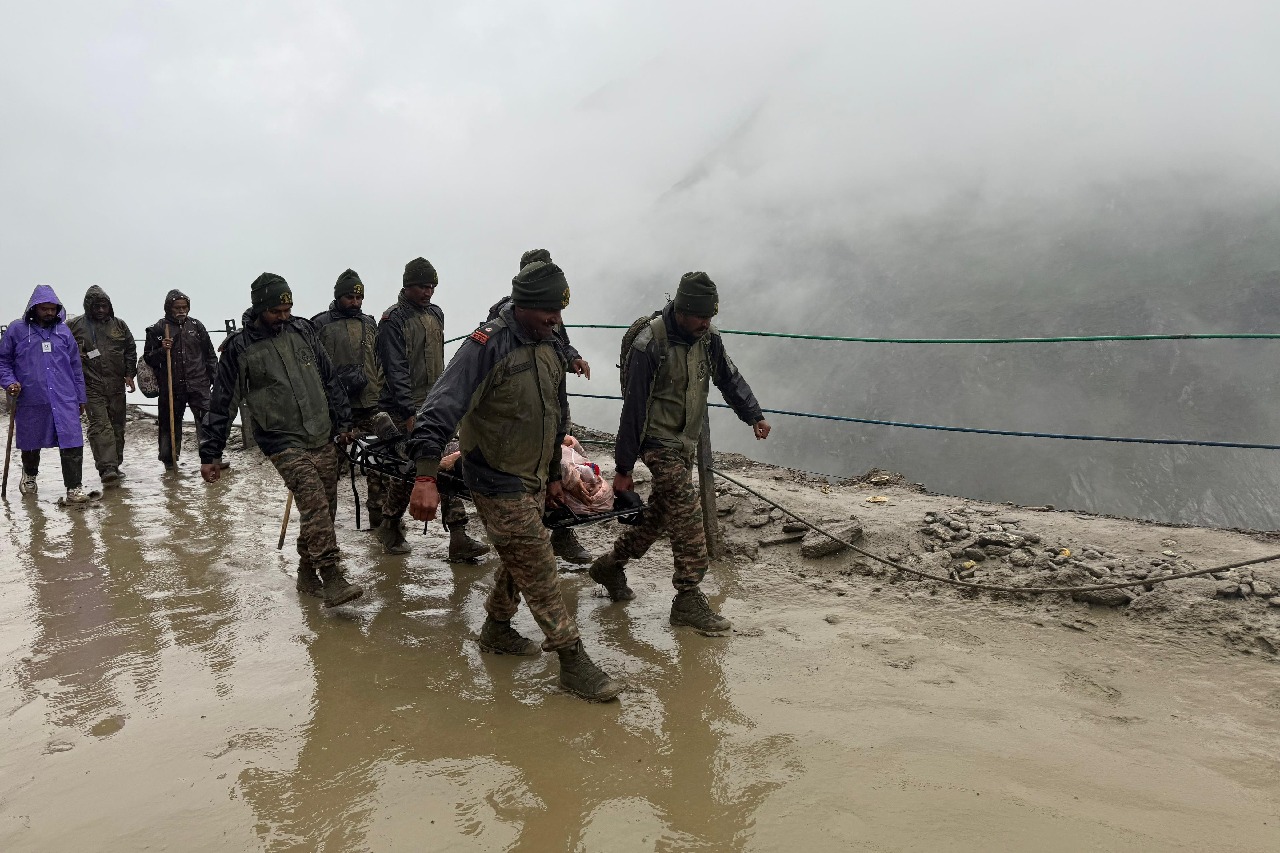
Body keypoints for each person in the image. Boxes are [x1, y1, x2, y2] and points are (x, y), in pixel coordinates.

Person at [407, 261, 621, 702]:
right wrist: (426, 476)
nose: (556, 320)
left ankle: (497, 628)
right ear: (522, 305)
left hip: (533, 474)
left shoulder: (547, 343)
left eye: (560, 312)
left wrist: (552, 478)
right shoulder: (486, 346)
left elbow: (553, 413)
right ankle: (572, 659)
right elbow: (437, 410)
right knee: (539, 564)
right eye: (548, 312)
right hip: (494, 474)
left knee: (522, 552)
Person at [590, 271, 771, 632]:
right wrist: (624, 467)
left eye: (710, 317)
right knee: (688, 513)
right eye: (701, 317)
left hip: (684, 440)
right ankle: (688, 597)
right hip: (656, 442)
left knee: (659, 514)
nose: (706, 323)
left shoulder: (708, 338)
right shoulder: (649, 345)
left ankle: (610, 565)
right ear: (682, 310)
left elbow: (728, 378)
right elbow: (634, 408)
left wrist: (753, 414)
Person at [200, 273, 361, 608]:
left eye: (288, 309)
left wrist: (344, 420)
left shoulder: (303, 331)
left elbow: (328, 378)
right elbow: (223, 402)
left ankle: (306, 570)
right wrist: (211, 452)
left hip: (320, 430)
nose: (283, 316)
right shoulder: (239, 349)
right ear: (260, 308)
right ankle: (331, 576)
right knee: (314, 500)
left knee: (324, 508)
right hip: (280, 438)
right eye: (276, 311)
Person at [375, 257, 488, 560]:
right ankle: (454, 533)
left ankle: (394, 524)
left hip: (435, 403)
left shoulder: (436, 314)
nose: (428, 293)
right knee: (421, 465)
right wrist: (410, 412)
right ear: (407, 286)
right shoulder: (392, 320)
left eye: (432, 287)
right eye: (423, 287)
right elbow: (395, 369)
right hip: (403, 408)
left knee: (436, 463)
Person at [487, 248, 593, 565]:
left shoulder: (550, 310)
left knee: (560, 460)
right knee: (526, 470)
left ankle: (562, 533)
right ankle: (524, 535)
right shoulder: (503, 314)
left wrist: (572, 357)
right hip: (521, 403)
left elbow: (560, 338)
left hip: (552, 397)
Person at [311, 268, 388, 527]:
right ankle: (324, 524)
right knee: (329, 467)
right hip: (334, 408)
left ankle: (380, 520)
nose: (355, 303)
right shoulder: (319, 325)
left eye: (359, 298)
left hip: (369, 403)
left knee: (379, 463)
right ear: (338, 297)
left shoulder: (369, 323)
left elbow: (379, 359)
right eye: (349, 298)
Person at [0, 285, 90, 503]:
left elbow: (75, 367)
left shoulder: (64, 332)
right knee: (31, 440)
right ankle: (29, 475)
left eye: (53, 309)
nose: (50, 313)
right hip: (31, 398)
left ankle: (74, 488)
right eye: (45, 309)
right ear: (34, 308)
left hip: (64, 397)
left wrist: (80, 397)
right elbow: (3, 362)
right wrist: (10, 383)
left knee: (72, 441)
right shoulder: (17, 330)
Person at [67, 286, 136, 485]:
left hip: (116, 386)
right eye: (96, 306)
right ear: (88, 306)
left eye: (103, 305)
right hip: (90, 386)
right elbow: (61, 350)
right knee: (100, 426)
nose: (100, 309)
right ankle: (107, 468)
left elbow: (130, 349)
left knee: (117, 426)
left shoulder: (119, 325)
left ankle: (116, 463)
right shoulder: (74, 326)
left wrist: (130, 373)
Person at [143, 290, 217, 470]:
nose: (181, 311)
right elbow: (149, 358)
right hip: (171, 387)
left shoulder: (197, 326)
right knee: (169, 424)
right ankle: (170, 460)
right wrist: (162, 350)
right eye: (177, 307)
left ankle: (212, 459)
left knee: (207, 422)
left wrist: (216, 379)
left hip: (199, 384)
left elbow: (210, 355)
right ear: (169, 308)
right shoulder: (158, 329)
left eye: (184, 307)